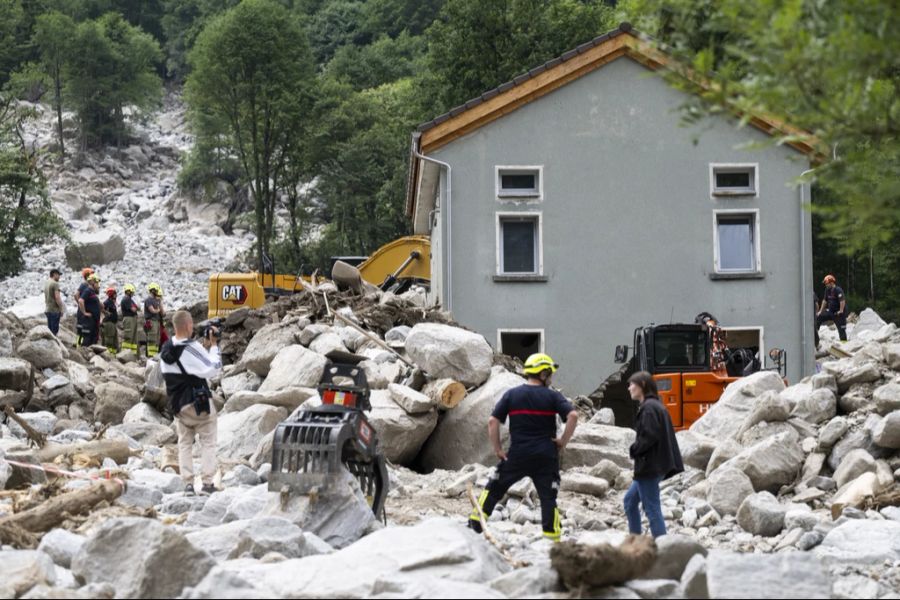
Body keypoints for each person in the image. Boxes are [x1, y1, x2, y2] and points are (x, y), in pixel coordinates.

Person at [468, 353, 579, 542]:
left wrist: (497, 449)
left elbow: (493, 421)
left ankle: (474, 527)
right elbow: (573, 416)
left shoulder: (512, 394)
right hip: (546, 456)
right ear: (543, 374)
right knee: (548, 498)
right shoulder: (553, 396)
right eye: (550, 373)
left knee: (493, 489)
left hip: (517, 455)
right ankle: (553, 541)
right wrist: (562, 441)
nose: (551, 377)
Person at [159, 310, 222, 495]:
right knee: (208, 440)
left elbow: (187, 367)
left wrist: (204, 347)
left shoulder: (166, 348)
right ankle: (208, 483)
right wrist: (214, 346)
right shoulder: (190, 347)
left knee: (185, 442)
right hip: (198, 403)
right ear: (188, 325)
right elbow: (213, 369)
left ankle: (187, 483)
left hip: (178, 405)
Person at [624, 371, 684, 538]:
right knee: (629, 502)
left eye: (631, 384)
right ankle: (635, 541)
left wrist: (633, 449)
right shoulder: (654, 406)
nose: (629, 388)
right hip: (652, 466)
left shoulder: (649, 408)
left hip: (650, 467)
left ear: (642, 385)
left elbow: (649, 436)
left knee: (652, 509)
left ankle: (661, 547)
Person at [816, 274, 847, 342]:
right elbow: (824, 301)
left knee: (841, 329)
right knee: (819, 317)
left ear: (831, 283)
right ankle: (815, 336)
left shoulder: (838, 290)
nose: (826, 285)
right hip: (831, 312)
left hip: (839, 313)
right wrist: (820, 311)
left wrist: (841, 310)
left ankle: (844, 344)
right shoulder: (827, 290)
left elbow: (842, 300)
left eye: (826, 283)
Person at [77, 274, 102, 347]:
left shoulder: (92, 292)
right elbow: (81, 300)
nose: (98, 285)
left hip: (93, 320)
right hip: (88, 321)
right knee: (87, 339)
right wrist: (84, 312)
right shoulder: (88, 291)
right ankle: (85, 353)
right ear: (92, 282)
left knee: (93, 338)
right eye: (97, 283)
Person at [144, 283, 165, 357]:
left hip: (157, 322)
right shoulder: (148, 300)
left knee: (157, 340)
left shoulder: (156, 300)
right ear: (152, 290)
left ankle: (155, 356)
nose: (157, 291)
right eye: (156, 290)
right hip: (151, 322)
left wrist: (160, 304)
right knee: (152, 339)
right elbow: (152, 310)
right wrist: (158, 310)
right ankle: (150, 356)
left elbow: (162, 313)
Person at [43, 268, 66, 336]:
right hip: (54, 310)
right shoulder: (55, 284)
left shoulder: (47, 282)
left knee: (50, 330)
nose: (59, 277)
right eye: (58, 275)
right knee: (54, 332)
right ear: (54, 274)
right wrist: (61, 308)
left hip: (48, 309)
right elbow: (57, 297)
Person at [120, 284, 140, 352]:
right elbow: (134, 309)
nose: (132, 293)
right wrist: (136, 308)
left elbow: (137, 308)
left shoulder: (130, 299)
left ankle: (132, 354)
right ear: (128, 291)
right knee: (128, 337)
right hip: (129, 319)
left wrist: (136, 307)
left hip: (132, 319)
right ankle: (125, 353)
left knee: (133, 338)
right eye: (132, 292)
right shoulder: (126, 299)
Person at [101, 287, 120, 355]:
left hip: (113, 323)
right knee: (109, 340)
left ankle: (113, 354)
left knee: (114, 340)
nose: (116, 295)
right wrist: (106, 313)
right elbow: (101, 308)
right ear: (112, 294)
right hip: (109, 323)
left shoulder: (112, 302)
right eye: (115, 294)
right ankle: (108, 354)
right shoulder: (107, 302)